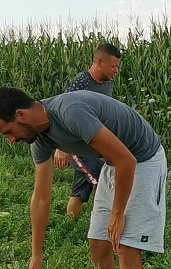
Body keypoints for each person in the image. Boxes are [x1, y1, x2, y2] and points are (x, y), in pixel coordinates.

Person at [0, 87, 168, 269]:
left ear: (21, 115)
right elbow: (41, 197)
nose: (11, 141)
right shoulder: (40, 140)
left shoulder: (71, 112)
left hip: (141, 159)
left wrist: (118, 214)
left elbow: (127, 161)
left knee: (125, 246)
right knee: (98, 242)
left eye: (9, 132)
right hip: (113, 163)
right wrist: (36, 255)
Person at [53, 43, 121, 220]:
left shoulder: (108, 86)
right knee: (99, 176)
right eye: (113, 66)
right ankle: (109, 222)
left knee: (82, 187)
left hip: (95, 144)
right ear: (99, 62)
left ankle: (68, 225)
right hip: (77, 145)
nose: (116, 71)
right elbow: (62, 112)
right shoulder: (80, 83)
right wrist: (61, 148)